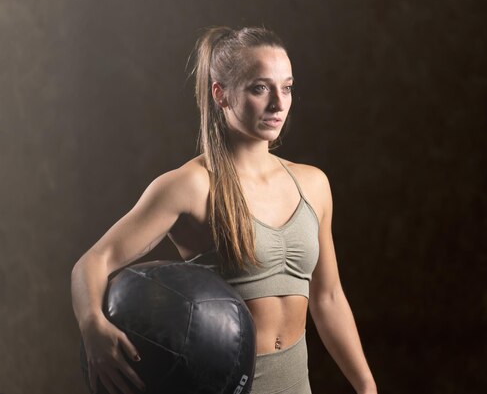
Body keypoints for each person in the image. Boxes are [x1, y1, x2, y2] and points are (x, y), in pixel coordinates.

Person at [71, 26, 377, 394]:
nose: (278, 103)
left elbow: (327, 297)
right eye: (260, 88)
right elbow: (93, 261)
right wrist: (92, 325)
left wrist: (366, 386)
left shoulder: (313, 184)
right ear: (221, 94)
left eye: (287, 87)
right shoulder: (192, 185)